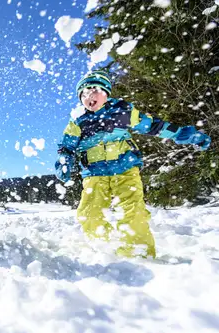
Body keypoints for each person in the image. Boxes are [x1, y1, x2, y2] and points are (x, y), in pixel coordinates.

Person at [55, 70, 211, 258]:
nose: (88, 96)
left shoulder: (122, 112)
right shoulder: (77, 122)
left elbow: (154, 126)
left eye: (94, 90)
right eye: (83, 93)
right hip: (94, 173)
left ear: (106, 93)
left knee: (132, 210)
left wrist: (182, 134)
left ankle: (138, 254)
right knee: (89, 213)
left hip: (125, 168)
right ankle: (103, 249)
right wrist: (64, 161)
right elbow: (66, 146)